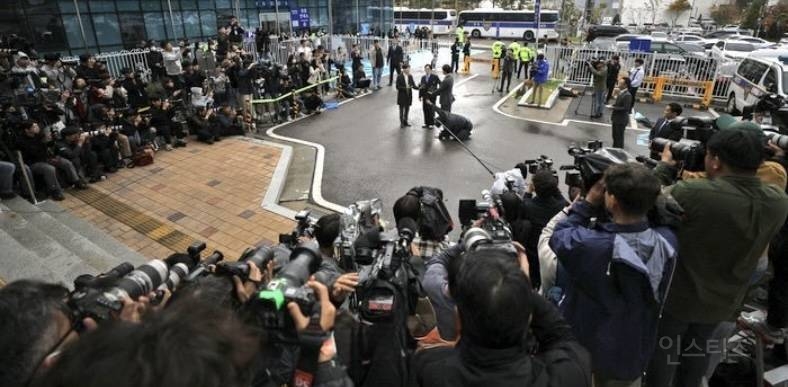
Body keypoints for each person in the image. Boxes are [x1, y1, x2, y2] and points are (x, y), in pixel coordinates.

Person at [646, 124, 788, 387]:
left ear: (716, 160)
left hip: (678, 300)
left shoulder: (692, 193)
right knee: (694, 359)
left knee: (663, 358)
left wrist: (665, 166)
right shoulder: (777, 201)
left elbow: (649, 199)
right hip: (723, 304)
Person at [550, 163, 678, 386]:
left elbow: (560, 235)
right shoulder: (667, 241)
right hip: (634, 345)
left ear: (612, 201)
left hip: (591, 343)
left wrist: (588, 202)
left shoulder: (593, 246)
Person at [413, 249, 592, 386]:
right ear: (529, 317)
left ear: (458, 319)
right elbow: (561, 336)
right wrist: (518, 290)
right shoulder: (566, 375)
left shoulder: (427, 368)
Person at [522, 170, 568, 289]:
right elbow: (562, 199)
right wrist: (553, 185)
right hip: (553, 252)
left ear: (535, 188)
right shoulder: (561, 206)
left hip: (534, 252)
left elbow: (525, 200)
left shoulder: (528, 206)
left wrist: (528, 190)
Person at [15, 121, 84, 201]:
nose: (37, 128)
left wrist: (52, 141)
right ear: (27, 130)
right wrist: (44, 144)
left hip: (45, 158)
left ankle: (76, 181)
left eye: (37, 126)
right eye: (34, 127)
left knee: (65, 162)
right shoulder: (21, 141)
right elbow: (33, 153)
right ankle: (55, 191)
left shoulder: (39, 136)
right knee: (49, 169)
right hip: (33, 162)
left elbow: (48, 146)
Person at [608, 77, 632, 148]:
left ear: (625, 85)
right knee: (615, 136)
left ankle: (618, 152)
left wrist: (613, 108)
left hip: (621, 120)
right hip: (616, 119)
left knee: (619, 138)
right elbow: (619, 104)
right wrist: (613, 105)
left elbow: (626, 108)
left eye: (620, 83)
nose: (618, 84)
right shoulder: (621, 92)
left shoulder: (627, 95)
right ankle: (615, 151)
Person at [419, 64, 440, 129]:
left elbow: (440, 84)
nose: (427, 70)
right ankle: (426, 123)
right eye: (425, 69)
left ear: (430, 69)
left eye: (428, 69)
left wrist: (436, 92)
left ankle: (431, 123)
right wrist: (420, 96)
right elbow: (421, 87)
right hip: (425, 96)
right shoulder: (423, 77)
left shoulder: (435, 77)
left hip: (432, 96)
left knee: (431, 109)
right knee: (425, 109)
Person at [396, 64, 417, 128]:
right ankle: (401, 123)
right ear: (404, 69)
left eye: (409, 68)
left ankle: (405, 121)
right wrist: (406, 88)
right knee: (401, 110)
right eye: (408, 68)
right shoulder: (399, 76)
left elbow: (413, 85)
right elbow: (397, 87)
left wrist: (419, 87)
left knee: (407, 109)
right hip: (402, 96)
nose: (409, 70)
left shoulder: (410, 76)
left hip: (408, 96)